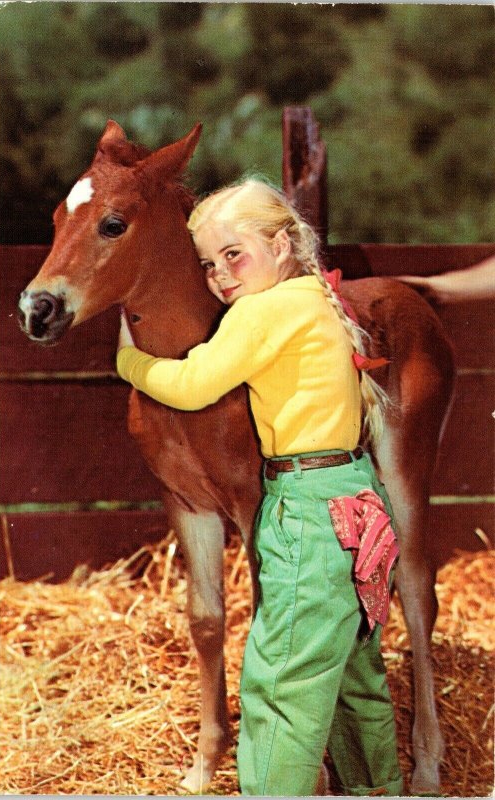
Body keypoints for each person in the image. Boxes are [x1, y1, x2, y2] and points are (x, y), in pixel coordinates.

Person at [116, 179, 403, 797]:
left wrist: (129, 361)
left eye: (232, 255)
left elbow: (194, 384)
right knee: (354, 677)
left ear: (280, 245)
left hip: (307, 509)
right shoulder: (318, 297)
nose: (219, 276)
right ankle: (376, 791)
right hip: (356, 497)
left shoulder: (264, 309)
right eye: (207, 265)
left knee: (281, 683)